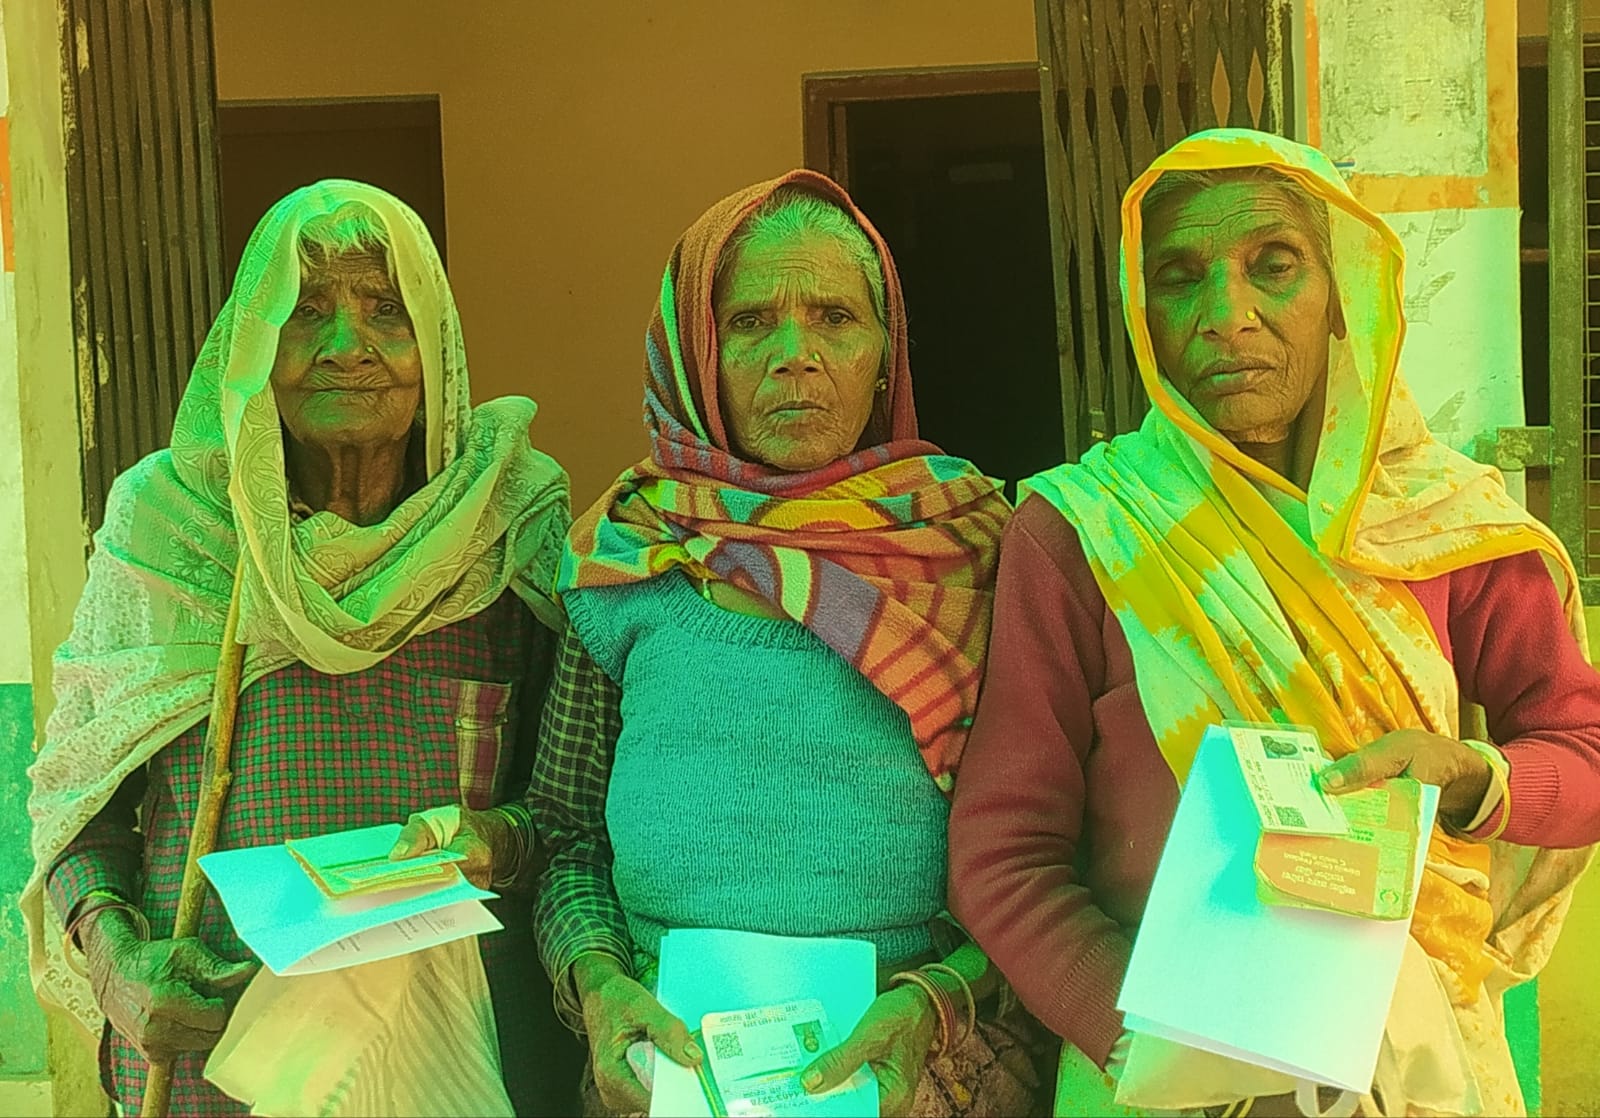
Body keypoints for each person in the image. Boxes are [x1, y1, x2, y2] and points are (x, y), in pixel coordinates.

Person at [947, 129, 1600, 1117]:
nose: (1225, 314)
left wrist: (1472, 777)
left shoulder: (1447, 526)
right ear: (1141, 311)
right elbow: (1003, 848)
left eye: (1274, 264)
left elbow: (1582, 754)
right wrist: (1152, 1036)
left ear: (1342, 292)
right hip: (1161, 1075)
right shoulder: (1087, 530)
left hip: (1415, 1069)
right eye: (1179, 277)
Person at [22, 181, 582, 1115]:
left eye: (386, 310)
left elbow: (575, 812)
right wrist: (117, 963)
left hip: (456, 1058)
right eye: (305, 311)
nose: (347, 345)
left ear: (435, 346)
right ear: (253, 349)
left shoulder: (502, 525)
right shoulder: (174, 527)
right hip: (221, 1053)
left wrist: (502, 840)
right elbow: (82, 801)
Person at [526, 170, 1042, 1118]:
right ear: (696, 357)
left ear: (885, 355)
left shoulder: (980, 554)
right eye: (751, 322)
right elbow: (565, 836)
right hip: (667, 1068)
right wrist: (599, 984)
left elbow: (1046, 857)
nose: (795, 356)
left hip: (926, 1064)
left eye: (836, 318)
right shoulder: (625, 557)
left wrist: (935, 1004)